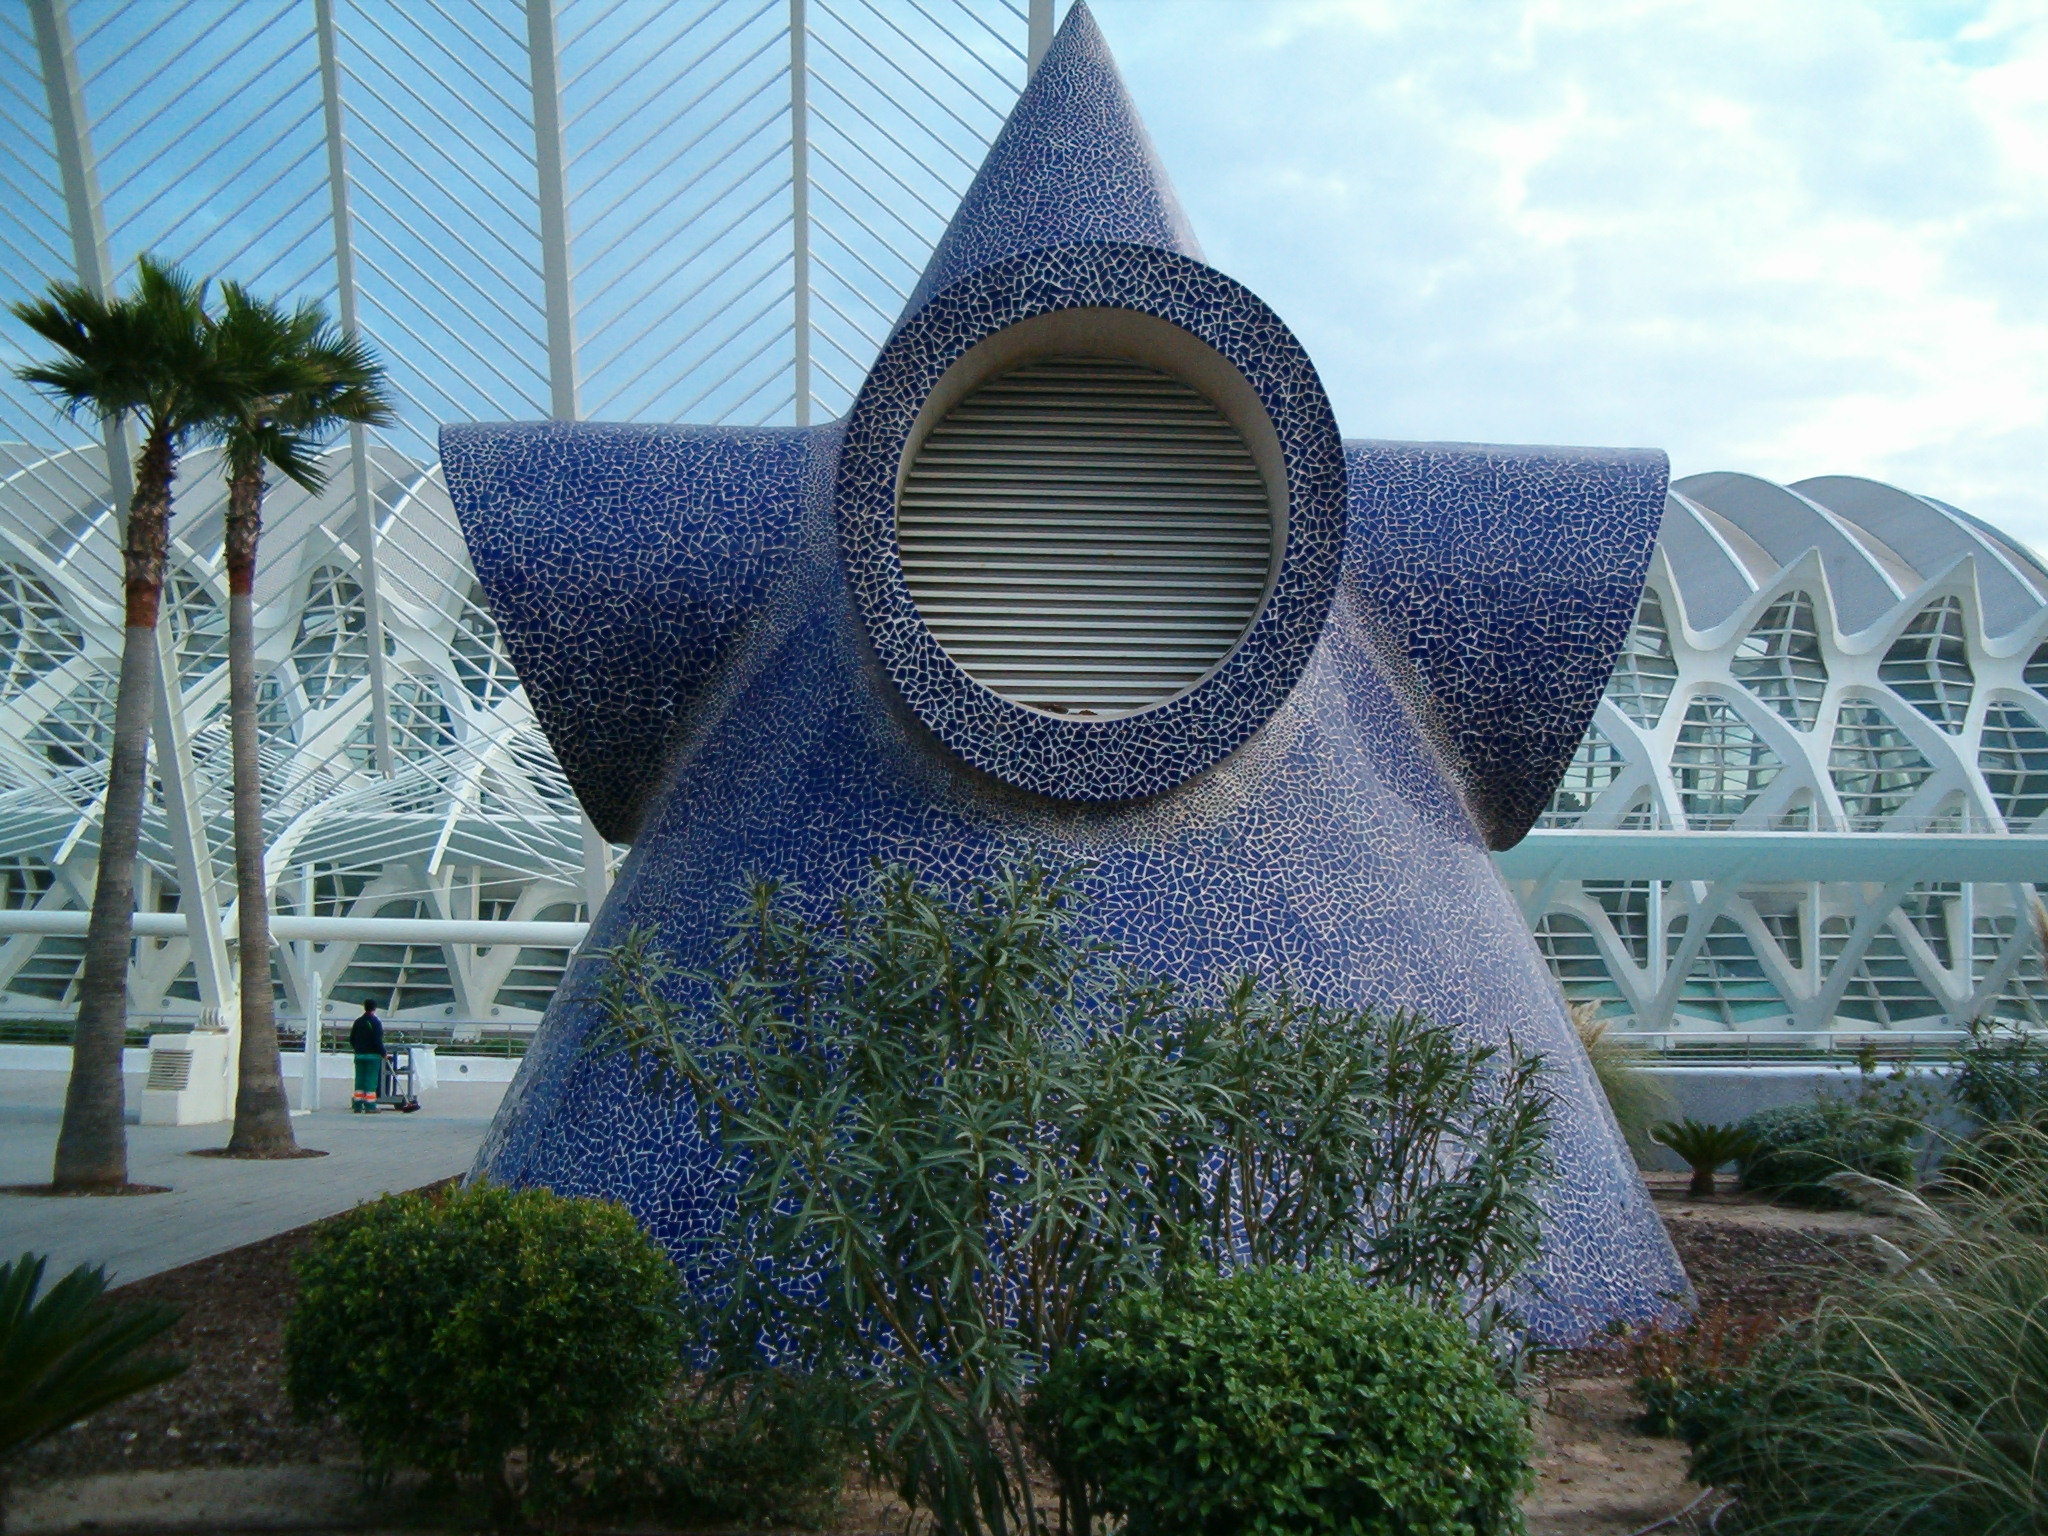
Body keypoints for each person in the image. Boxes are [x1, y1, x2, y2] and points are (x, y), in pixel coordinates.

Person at [350, 998, 384, 1113]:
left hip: (359, 1055)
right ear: (375, 1008)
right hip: (372, 1056)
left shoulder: (358, 1021)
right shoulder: (375, 1022)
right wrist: (383, 1053)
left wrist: (358, 1049)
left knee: (359, 1079)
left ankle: (357, 1104)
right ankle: (370, 1105)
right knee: (370, 1080)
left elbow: (352, 1038)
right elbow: (377, 1040)